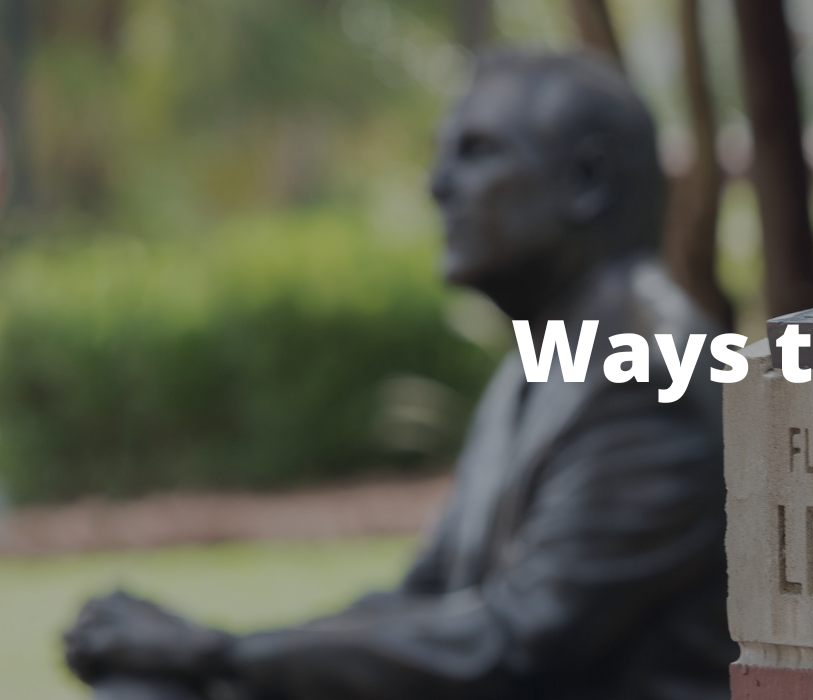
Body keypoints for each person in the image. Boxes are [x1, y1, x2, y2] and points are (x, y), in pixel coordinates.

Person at [62, 51, 737, 700]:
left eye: (477, 153)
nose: (437, 185)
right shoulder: (548, 361)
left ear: (586, 182)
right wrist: (218, 661)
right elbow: (425, 600)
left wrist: (215, 653)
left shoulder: (649, 375)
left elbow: (513, 645)